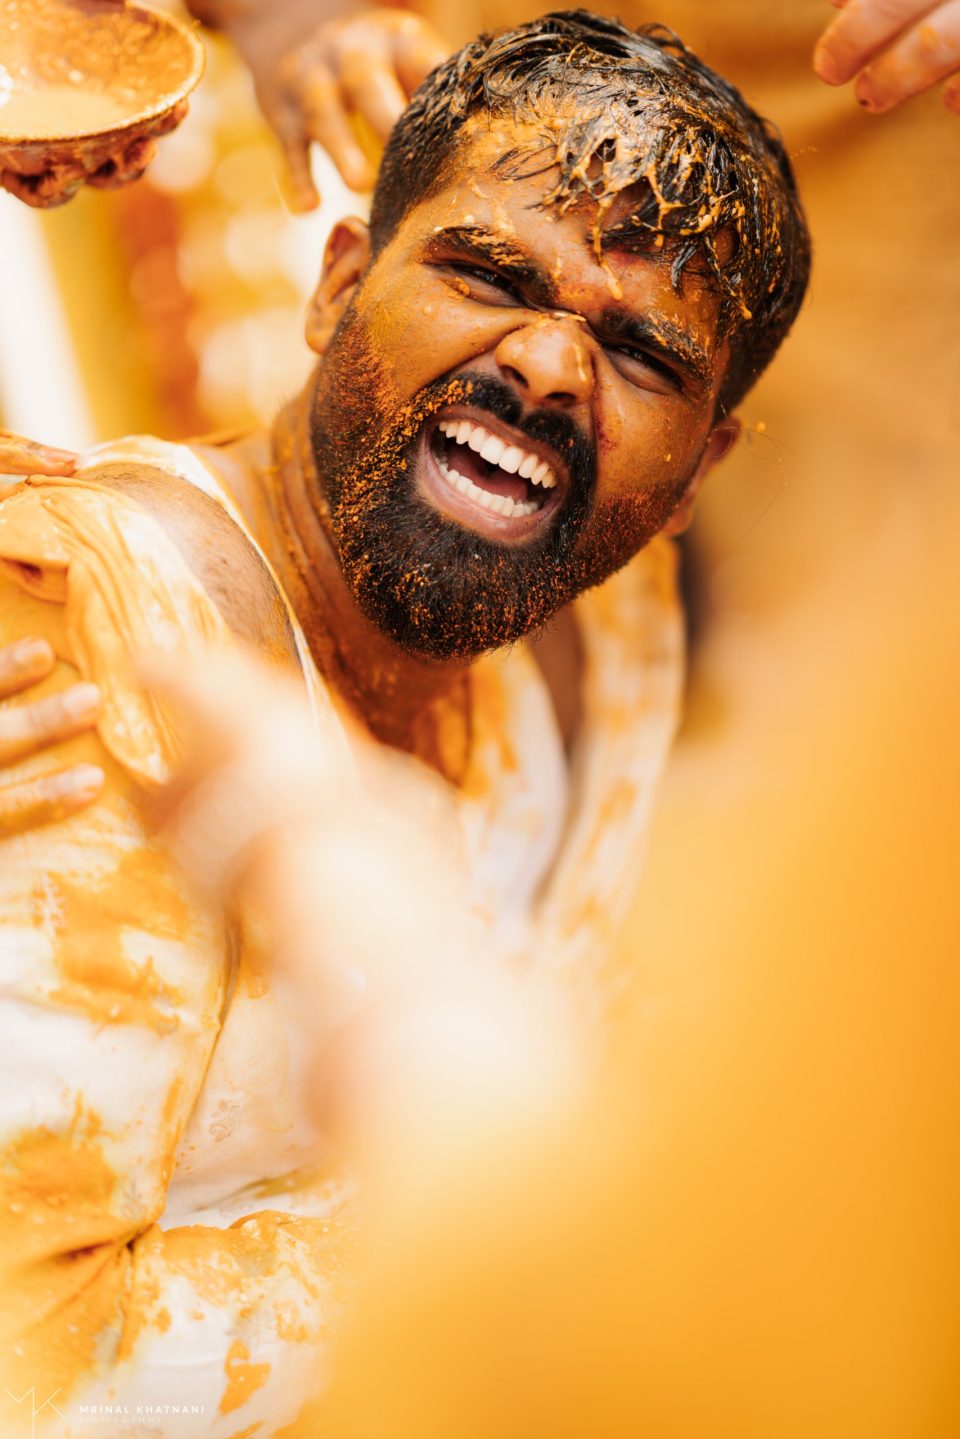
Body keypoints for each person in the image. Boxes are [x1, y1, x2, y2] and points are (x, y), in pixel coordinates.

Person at [0, 13, 809, 1434]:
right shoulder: (95, 642)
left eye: (641, 353)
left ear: (698, 473)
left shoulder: (612, 631)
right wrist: (564, 1197)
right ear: (337, 284)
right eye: (490, 274)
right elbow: (30, 1365)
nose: (548, 366)